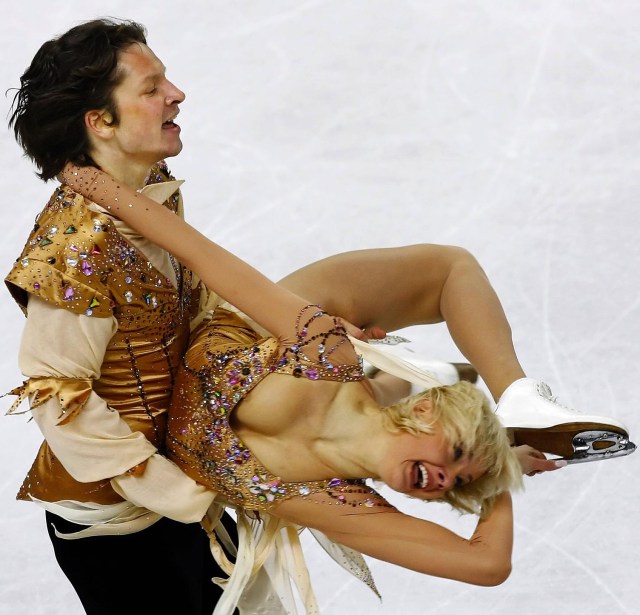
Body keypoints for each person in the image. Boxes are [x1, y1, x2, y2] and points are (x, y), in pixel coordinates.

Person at [59, 163, 635, 613]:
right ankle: (512, 392)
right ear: (428, 414)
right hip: (246, 338)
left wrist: (499, 479)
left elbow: (486, 566)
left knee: (378, 390)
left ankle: (442, 386)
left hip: (293, 424)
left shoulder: (340, 503)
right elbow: (203, 256)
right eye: (457, 454)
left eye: (459, 484)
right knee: (449, 268)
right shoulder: (323, 349)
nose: (447, 479)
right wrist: (93, 184)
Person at [4, 18, 247, 615]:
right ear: (101, 122)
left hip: (183, 478)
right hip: (114, 523)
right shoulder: (74, 249)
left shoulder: (151, 189)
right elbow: (56, 393)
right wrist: (183, 494)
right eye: (151, 87)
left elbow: (194, 305)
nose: (176, 95)